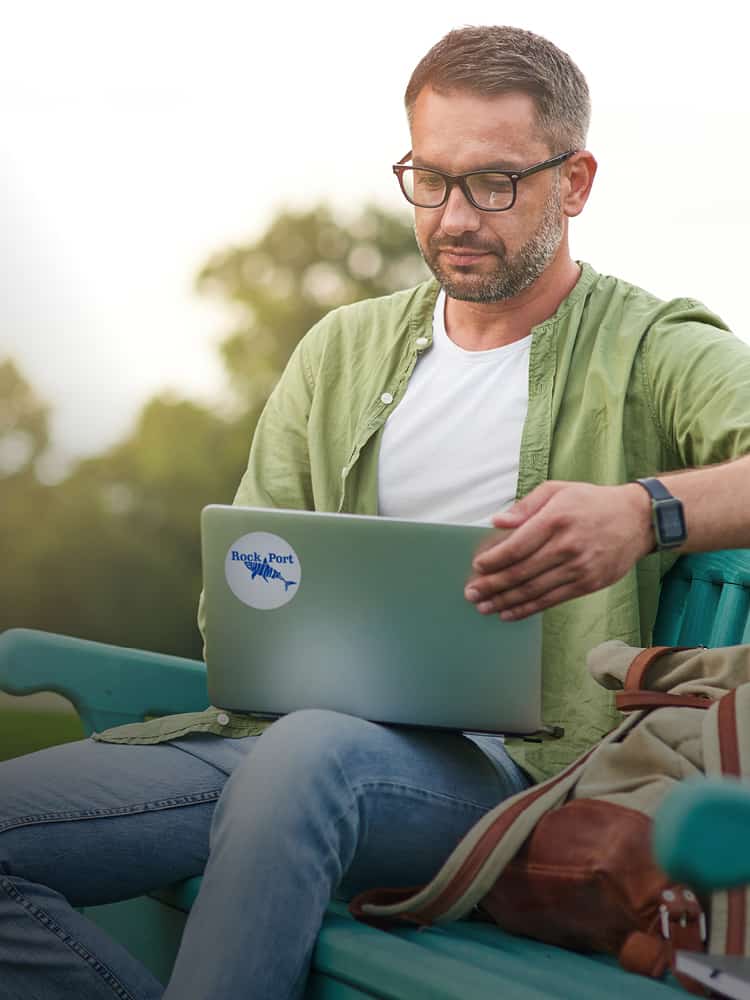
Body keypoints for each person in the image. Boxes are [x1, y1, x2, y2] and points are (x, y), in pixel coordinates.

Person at [2, 24, 750, 1000]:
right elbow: (251, 576)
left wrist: (643, 511)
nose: (454, 216)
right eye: (429, 179)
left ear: (574, 182)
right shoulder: (341, 351)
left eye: (494, 183)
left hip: (520, 785)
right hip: (279, 747)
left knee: (309, 751)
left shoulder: (651, 347)